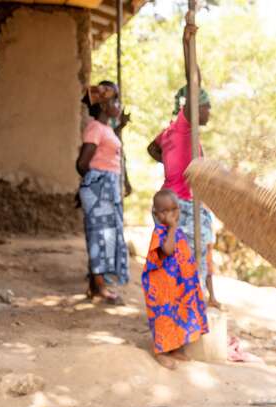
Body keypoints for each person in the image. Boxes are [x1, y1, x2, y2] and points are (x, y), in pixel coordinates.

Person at [147, 85, 218, 308]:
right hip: (181, 206)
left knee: (183, 262)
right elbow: (192, 85)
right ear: (194, 108)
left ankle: (187, 309)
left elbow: (152, 148)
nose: (209, 112)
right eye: (207, 107)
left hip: (178, 202)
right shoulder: (183, 127)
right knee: (187, 264)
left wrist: (172, 164)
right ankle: (185, 316)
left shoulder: (172, 133)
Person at [141, 190, 209, 369]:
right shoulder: (161, 232)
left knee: (178, 315)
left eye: (174, 210)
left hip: (177, 286)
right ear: (156, 214)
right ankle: (161, 351)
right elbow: (168, 250)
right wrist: (171, 227)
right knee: (164, 317)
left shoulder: (177, 232)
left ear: (179, 209)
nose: (170, 215)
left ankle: (175, 348)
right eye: (164, 211)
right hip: (162, 287)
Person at [75, 80, 129, 305]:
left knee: (106, 235)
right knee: (101, 236)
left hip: (107, 188)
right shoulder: (95, 128)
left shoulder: (105, 129)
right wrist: (94, 187)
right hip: (101, 190)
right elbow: (83, 163)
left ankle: (96, 285)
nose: (119, 104)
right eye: (115, 100)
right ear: (104, 105)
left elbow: (106, 152)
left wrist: (120, 127)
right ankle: (100, 287)